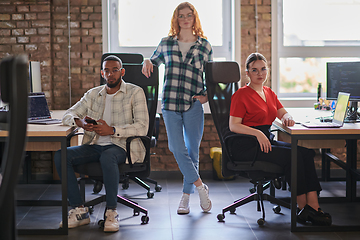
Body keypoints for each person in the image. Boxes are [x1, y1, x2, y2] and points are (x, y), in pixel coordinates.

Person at [228, 52, 332, 226]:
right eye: (254, 70)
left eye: (263, 69)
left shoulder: (268, 92)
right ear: (247, 73)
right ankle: (302, 208)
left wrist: (287, 117)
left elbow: (282, 111)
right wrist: (258, 133)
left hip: (265, 141)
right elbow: (233, 125)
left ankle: (314, 206)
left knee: (306, 153)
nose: (260, 74)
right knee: (294, 157)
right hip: (247, 145)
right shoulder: (241, 94)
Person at [54, 55, 149, 232]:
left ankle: (111, 212)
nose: (110, 74)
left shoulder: (135, 92)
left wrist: (112, 130)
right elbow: (68, 113)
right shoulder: (93, 94)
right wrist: (79, 122)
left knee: (108, 155)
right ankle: (79, 210)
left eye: (115, 70)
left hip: (121, 146)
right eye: (107, 70)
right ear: (102, 73)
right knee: (61, 155)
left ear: (122, 72)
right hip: (94, 145)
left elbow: (142, 127)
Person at [142, 2, 212, 215]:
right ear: (176, 18)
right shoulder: (166, 43)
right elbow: (153, 62)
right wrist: (146, 59)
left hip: (193, 105)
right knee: (176, 148)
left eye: (189, 15)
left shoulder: (204, 45)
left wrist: (206, 96)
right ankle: (201, 187)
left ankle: (186, 196)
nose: (185, 19)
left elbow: (211, 75)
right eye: (181, 15)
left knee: (192, 151)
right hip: (170, 104)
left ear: (194, 18)